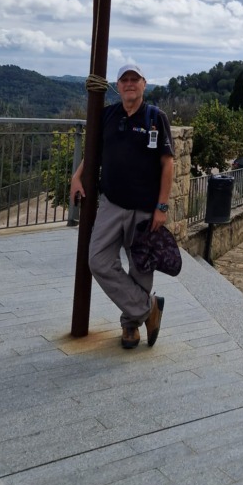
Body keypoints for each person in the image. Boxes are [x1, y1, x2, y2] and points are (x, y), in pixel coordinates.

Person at [70, 64, 174, 350]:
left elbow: (168, 163)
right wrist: (77, 176)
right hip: (112, 204)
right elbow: (94, 153)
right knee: (98, 260)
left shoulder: (156, 118)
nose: (129, 83)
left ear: (144, 84)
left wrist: (162, 206)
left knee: (140, 269)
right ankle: (148, 308)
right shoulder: (108, 115)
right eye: (124, 79)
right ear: (117, 86)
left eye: (134, 79)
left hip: (145, 209)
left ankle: (131, 325)